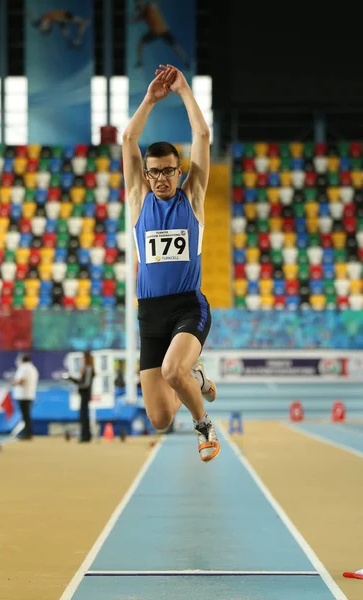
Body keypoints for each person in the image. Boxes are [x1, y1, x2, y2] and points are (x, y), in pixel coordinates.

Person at [122, 63, 219, 462]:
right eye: (155, 172)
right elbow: (128, 137)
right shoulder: (137, 200)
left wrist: (182, 92)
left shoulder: (191, 197)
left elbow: (202, 134)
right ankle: (194, 376)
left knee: (171, 372)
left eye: (168, 171)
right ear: (145, 176)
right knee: (160, 417)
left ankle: (204, 426)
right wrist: (149, 99)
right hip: (150, 314)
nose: (161, 178)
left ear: (180, 173)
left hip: (187, 306)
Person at [131, 1, 190, 70]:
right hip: (154, 32)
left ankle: (185, 60)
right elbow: (133, 21)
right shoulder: (143, 14)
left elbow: (156, 3)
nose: (139, 5)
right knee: (140, 42)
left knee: (175, 47)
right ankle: (140, 61)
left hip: (163, 30)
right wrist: (135, 12)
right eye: (138, 5)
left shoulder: (150, 6)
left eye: (140, 3)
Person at [62, 351, 95, 442]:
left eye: (83, 358)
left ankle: (86, 436)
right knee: (83, 415)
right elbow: (82, 383)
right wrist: (72, 380)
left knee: (83, 415)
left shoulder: (88, 369)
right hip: (84, 394)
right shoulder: (86, 369)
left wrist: (75, 382)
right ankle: (85, 435)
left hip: (85, 394)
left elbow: (86, 384)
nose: (82, 360)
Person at [11, 354, 39, 440]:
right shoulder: (33, 368)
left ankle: (27, 434)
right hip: (29, 394)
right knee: (27, 416)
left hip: (23, 395)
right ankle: (28, 433)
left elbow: (22, 381)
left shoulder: (24, 368)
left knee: (25, 416)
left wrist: (14, 383)